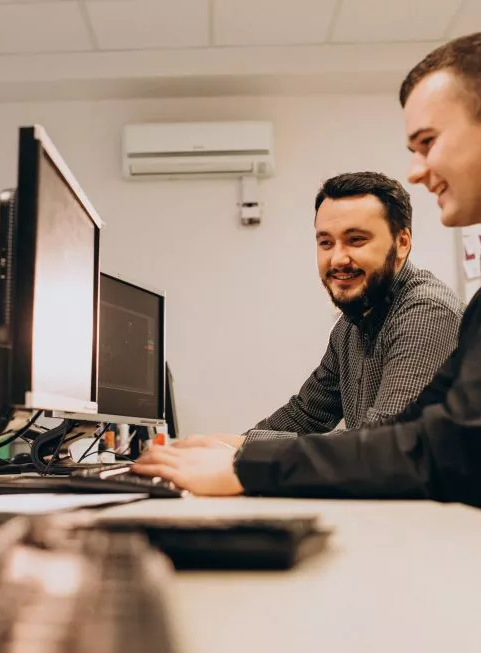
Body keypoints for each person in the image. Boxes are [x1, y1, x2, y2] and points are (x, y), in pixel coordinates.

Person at [133, 33, 481, 560]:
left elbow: (453, 449)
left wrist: (249, 467)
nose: (418, 172)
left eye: (427, 144)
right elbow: (415, 428)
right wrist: (243, 452)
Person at [185, 172, 461, 451]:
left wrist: (245, 448)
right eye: (326, 243)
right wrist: (226, 448)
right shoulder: (352, 322)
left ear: (402, 243)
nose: (337, 258)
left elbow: (383, 442)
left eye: (356, 240)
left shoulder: (427, 312)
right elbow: (306, 415)